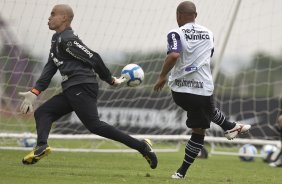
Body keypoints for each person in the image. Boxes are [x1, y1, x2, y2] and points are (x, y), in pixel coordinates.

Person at [18, 4, 157, 169]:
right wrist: (34, 92)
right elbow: (50, 68)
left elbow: (94, 58)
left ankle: (142, 147)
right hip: (72, 87)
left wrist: (110, 80)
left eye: (53, 14)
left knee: (94, 126)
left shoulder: (68, 40)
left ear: (64, 18)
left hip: (82, 86)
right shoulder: (56, 39)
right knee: (43, 113)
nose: (49, 17)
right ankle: (41, 147)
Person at [154, 1, 251, 179]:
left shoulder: (175, 33)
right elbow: (209, 55)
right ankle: (230, 128)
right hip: (204, 88)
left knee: (203, 120)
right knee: (200, 129)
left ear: (178, 15)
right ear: (195, 15)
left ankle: (231, 128)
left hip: (181, 91)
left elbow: (174, 54)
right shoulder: (208, 33)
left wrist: (161, 76)